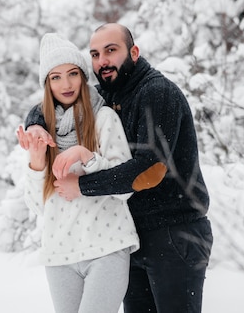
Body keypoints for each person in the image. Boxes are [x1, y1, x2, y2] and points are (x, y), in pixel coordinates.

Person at [20, 23, 213, 313]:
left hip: (173, 230)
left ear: (133, 52)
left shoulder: (155, 93)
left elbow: (150, 170)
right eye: (95, 54)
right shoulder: (110, 93)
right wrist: (36, 123)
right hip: (135, 235)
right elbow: (59, 95)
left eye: (111, 51)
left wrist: (82, 185)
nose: (103, 61)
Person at [18, 32, 139, 313]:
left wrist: (88, 158)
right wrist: (37, 161)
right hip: (60, 254)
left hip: (106, 247)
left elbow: (126, 187)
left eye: (72, 73)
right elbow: (38, 206)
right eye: (56, 77)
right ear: (47, 84)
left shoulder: (104, 119)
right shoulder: (41, 130)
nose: (66, 83)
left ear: (83, 75)